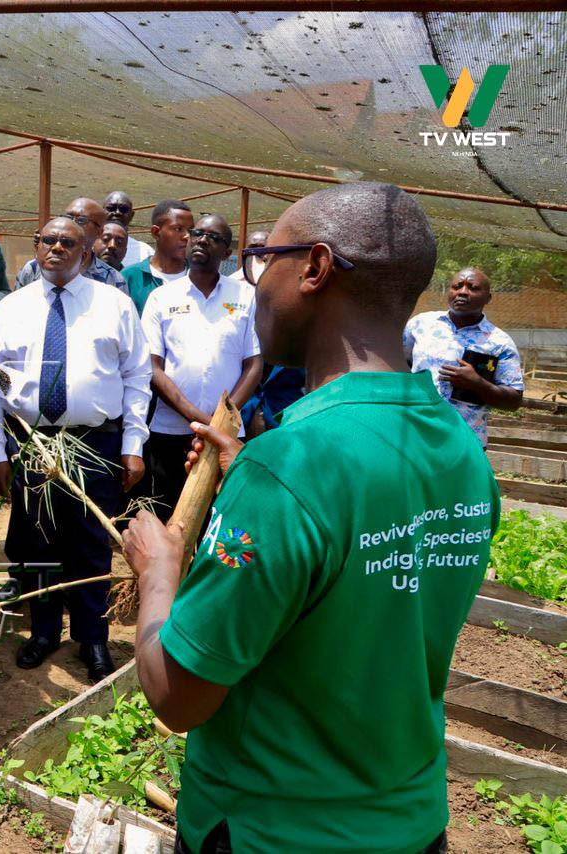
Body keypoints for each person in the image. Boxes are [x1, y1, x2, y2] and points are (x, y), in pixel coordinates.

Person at [122, 182, 498, 854]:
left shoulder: (289, 468)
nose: (255, 283)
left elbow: (179, 698)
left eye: (265, 259)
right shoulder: (459, 449)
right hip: (409, 822)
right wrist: (250, 469)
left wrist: (158, 572)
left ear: (316, 268)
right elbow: (357, 549)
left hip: (273, 830)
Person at [0, 217, 151, 683]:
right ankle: (42, 631)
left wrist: (133, 445)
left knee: (91, 543)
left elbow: (137, 377)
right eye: (49, 240)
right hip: (31, 441)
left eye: (68, 242)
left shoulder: (113, 305)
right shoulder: (10, 309)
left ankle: (93, 638)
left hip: (94, 442)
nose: (57, 248)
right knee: (36, 541)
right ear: (36, 247)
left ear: (86, 251)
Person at [140, 214, 262, 522]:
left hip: (227, 436)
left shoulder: (245, 297)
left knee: (219, 522)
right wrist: (201, 420)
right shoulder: (161, 298)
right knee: (169, 521)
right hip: (170, 434)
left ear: (227, 253)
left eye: (214, 237)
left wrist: (221, 421)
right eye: (197, 234)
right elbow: (153, 368)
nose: (202, 240)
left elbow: (254, 363)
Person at [404, 267, 523, 446]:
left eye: (472, 288)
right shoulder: (421, 324)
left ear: (488, 298)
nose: (462, 292)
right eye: (457, 286)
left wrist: (478, 384)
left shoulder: (499, 342)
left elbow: (514, 401)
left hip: (465, 441)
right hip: (417, 434)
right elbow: (400, 362)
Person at [15, 198, 125, 290]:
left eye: (81, 220)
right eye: (68, 217)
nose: (72, 223)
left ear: (99, 232)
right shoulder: (33, 269)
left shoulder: (112, 279)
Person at [121, 199, 192, 316]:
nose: (187, 236)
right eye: (178, 229)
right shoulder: (129, 278)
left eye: (190, 230)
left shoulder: (199, 278)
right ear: (155, 232)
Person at [104, 190, 155, 269]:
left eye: (123, 209)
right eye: (111, 208)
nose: (117, 213)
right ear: (101, 212)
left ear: (132, 215)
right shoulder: (87, 246)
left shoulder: (145, 251)